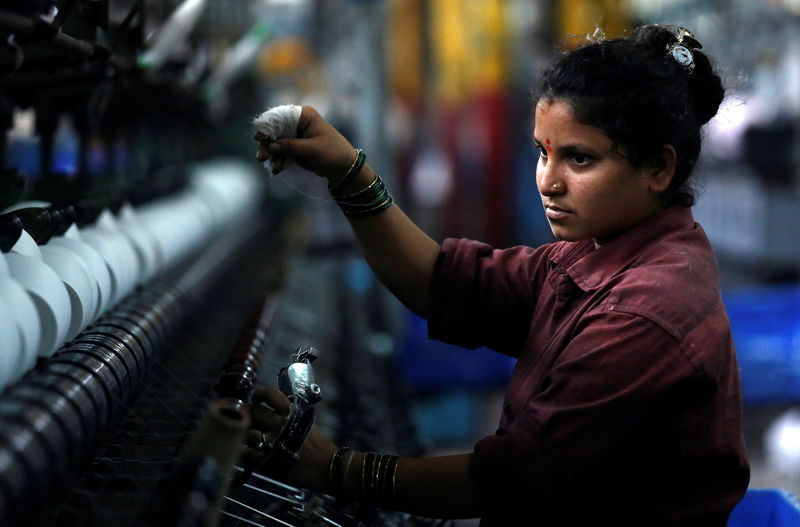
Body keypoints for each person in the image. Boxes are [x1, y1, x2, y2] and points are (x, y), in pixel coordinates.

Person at [246, 25, 750, 526]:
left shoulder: (643, 313)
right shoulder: (597, 256)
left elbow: (509, 481)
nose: (549, 182)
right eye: (542, 152)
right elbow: (442, 282)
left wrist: (335, 468)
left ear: (659, 169)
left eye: (580, 158)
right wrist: (348, 172)